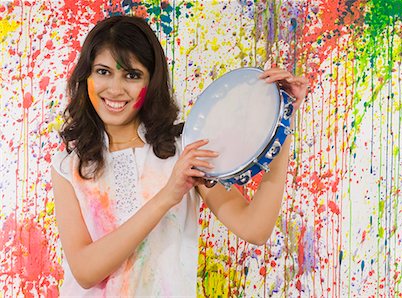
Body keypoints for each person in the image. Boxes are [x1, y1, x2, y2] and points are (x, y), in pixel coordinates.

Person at [51, 15, 308, 297]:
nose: (115, 88)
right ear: (85, 76)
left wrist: (282, 121)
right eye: (103, 71)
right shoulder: (69, 166)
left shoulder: (183, 151)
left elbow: (255, 228)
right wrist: (168, 195)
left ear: (151, 82)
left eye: (132, 75)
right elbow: (86, 272)